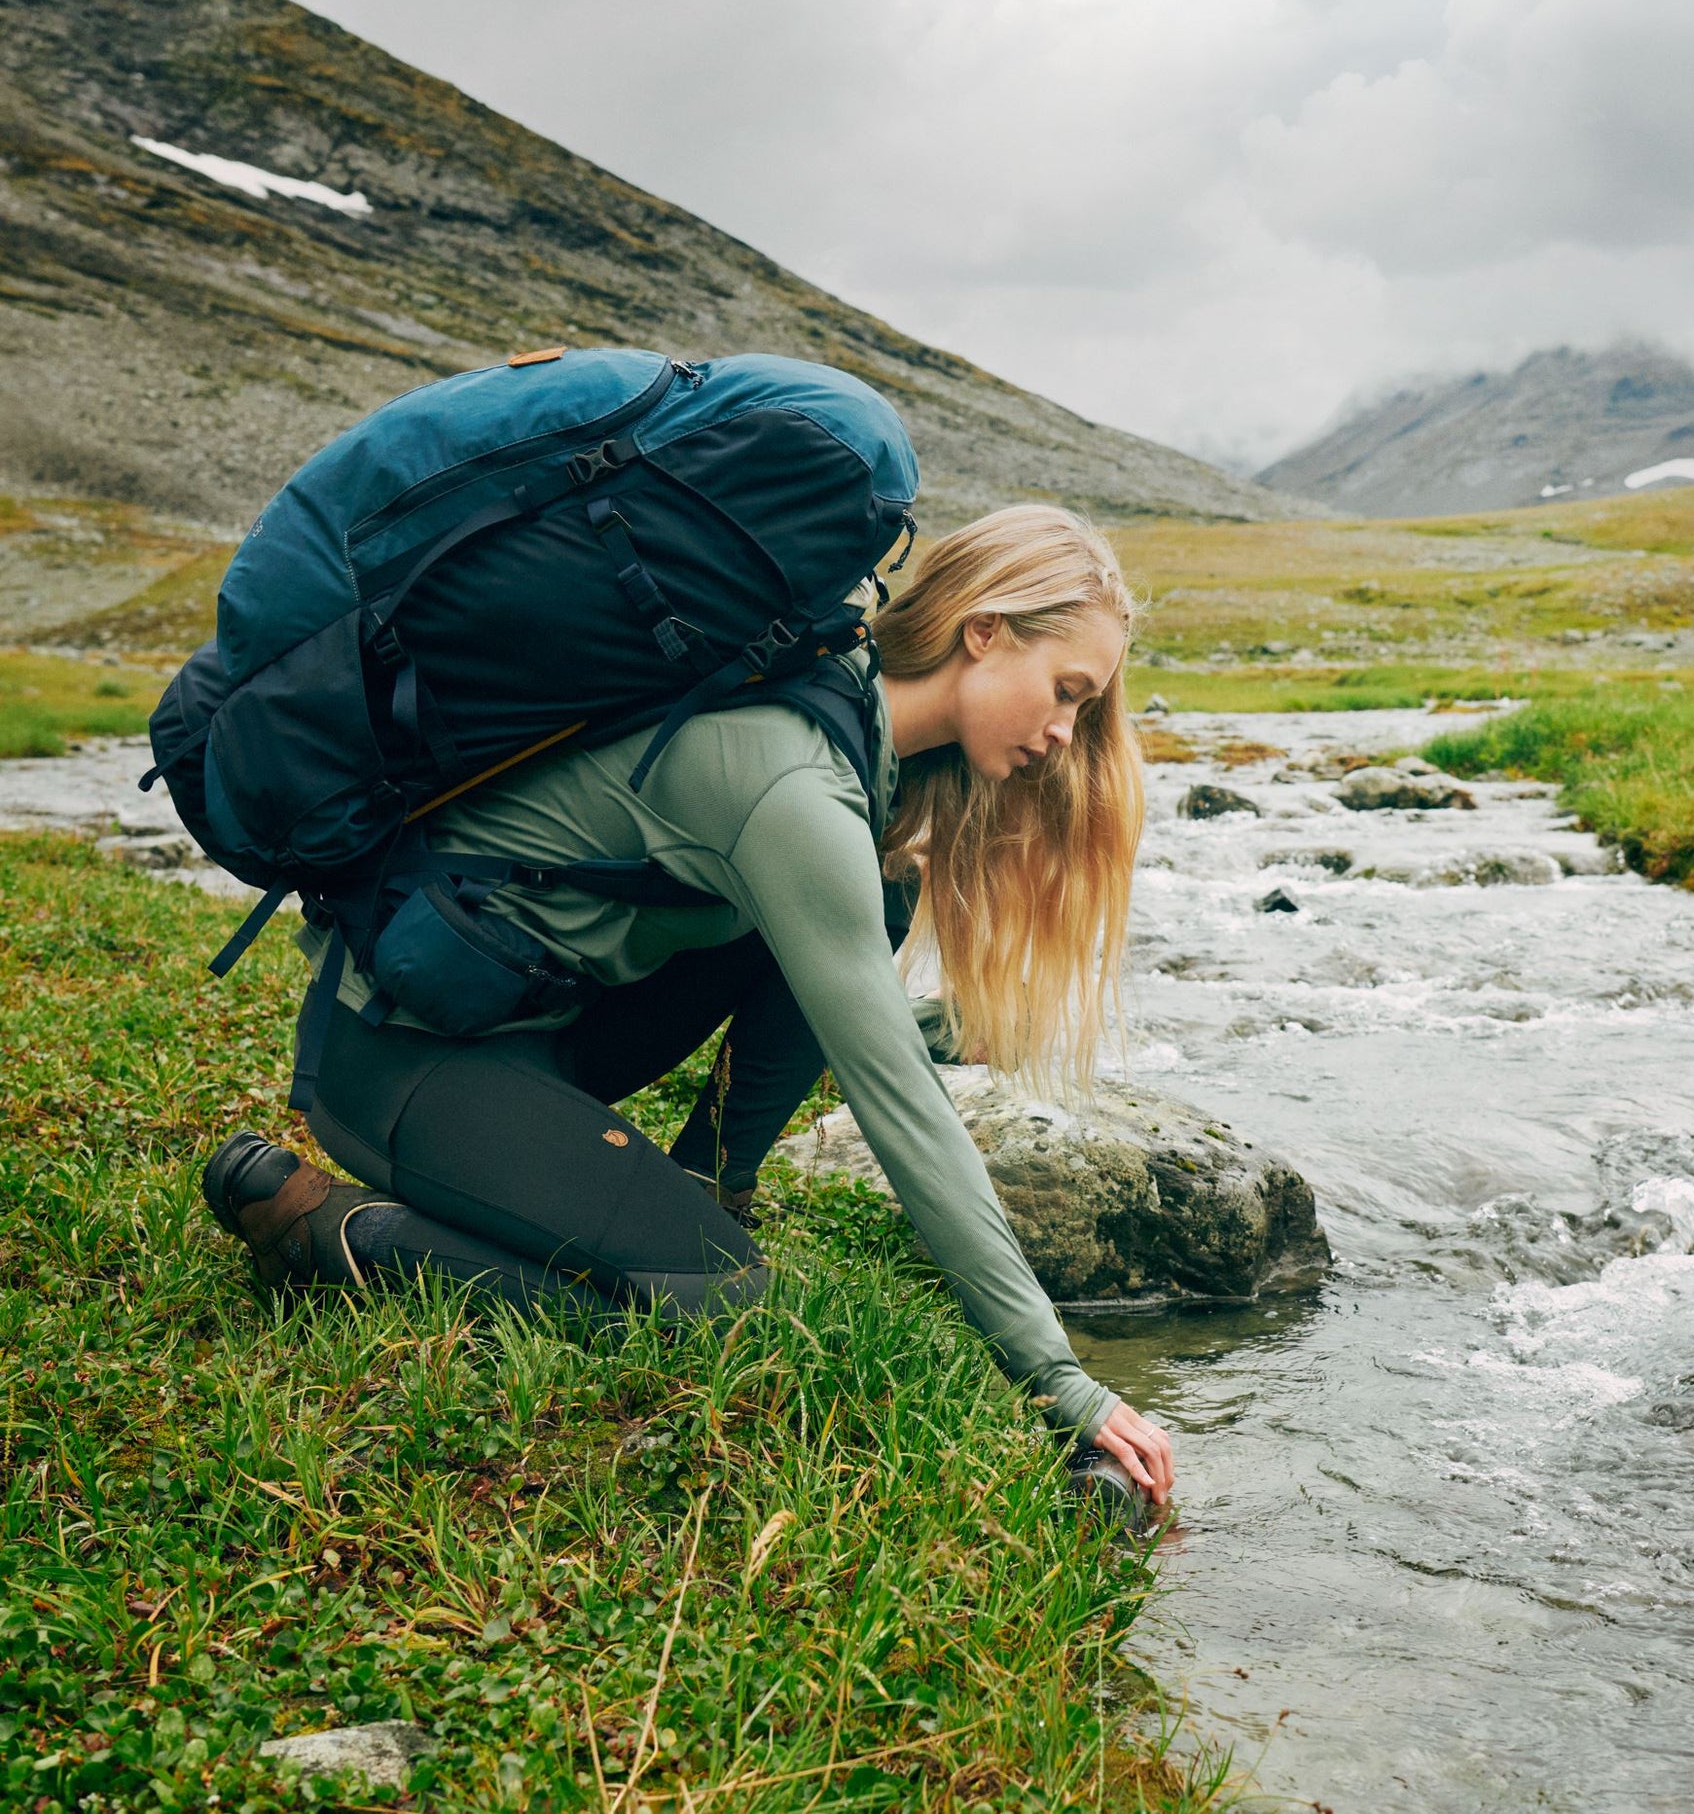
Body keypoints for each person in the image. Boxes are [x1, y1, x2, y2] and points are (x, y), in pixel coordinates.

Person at [201, 503, 1175, 1505]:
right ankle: (330, 1230)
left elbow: (838, 964)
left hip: (526, 1025)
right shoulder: (791, 780)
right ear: (983, 630)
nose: (1062, 736)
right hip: (399, 1062)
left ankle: (707, 1193)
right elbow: (899, 1101)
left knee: (877, 889)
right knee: (722, 1306)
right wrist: (1057, 1374)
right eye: (1065, 692)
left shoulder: (834, 711)